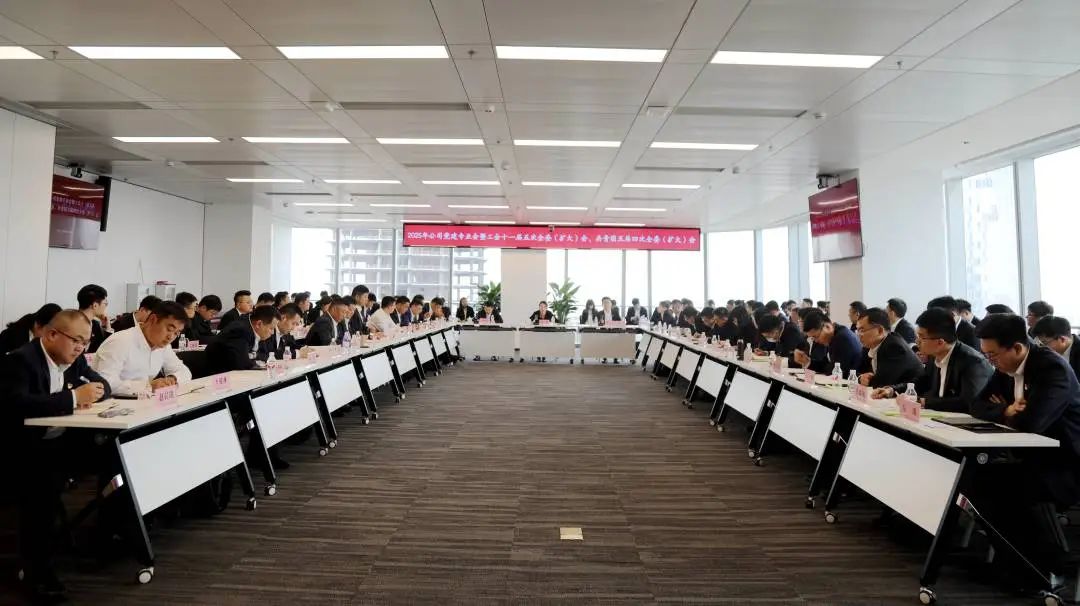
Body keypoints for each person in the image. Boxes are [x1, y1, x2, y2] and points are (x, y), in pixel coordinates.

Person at [0, 310, 110, 602]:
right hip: (20, 450)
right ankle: (36, 572)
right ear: (51, 334)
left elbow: (103, 386)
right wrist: (73, 398)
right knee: (40, 497)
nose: (81, 348)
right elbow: (16, 404)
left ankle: (106, 537)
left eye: (86, 342)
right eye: (76, 340)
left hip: (57, 445)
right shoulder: (19, 361)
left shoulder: (73, 361)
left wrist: (90, 393)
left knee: (112, 457)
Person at [967, 313, 1080, 590]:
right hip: (1029, 457)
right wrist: (1006, 410)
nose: (989, 361)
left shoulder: (1051, 369)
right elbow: (976, 406)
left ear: (1017, 348)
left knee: (1003, 487)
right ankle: (1020, 564)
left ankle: (1043, 568)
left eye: (992, 355)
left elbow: (1033, 424)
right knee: (974, 480)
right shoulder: (1005, 367)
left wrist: (1006, 413)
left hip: (1065, 462)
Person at [871, 307, 992, 413]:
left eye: (921, 337)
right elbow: (922, 382)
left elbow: (967, 402)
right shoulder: (934, 355)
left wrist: (922, 402)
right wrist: (892, 390)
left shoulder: (973, 362)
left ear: (940, 342)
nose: (917, 341)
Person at [92, 301, 192, 397]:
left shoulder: (163, 346)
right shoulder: (120, 341)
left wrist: (172, 379)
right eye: (169, 329)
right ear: (153, 319)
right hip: (112, 403)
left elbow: (184, 371)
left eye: (176, 333)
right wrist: (146, 386)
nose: (171, 337)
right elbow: (104, 383)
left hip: (143, 402)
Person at [855, 307, 923, 388]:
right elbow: (857, 371)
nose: (858, 335)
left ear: (880, 331)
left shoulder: (894, 347)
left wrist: (868, 380)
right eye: (857, 330)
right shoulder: (868, 346)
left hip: (910, 393)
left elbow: (882, 383)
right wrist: (861, 378)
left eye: (862, 330)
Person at [206, 305, 281, 373]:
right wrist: (258, 362)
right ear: (259, 324)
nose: (272, 333)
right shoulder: (240, 330)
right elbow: (242, 363)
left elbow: (265, 355)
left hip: (231, 372)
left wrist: (253, 357)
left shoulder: (252, 326)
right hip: (215, 375)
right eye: (271, 328)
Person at [792, 309, 862, 376]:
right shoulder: (834, 335)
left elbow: (836, 371)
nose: (816, 341)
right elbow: (825, 364)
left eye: (816, 336)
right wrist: (807, 361)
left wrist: (827, 368)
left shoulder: (842, 338)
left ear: (827, 327)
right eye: (812, 338)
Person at [76, 283, 111, 352]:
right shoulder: (71, 323)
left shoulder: (95, 324)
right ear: (95, 305)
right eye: (105, 304)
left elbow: (105, 349)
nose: (106, 307)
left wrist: (107, 327)